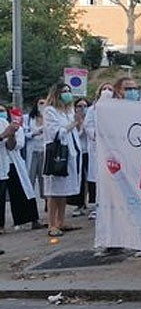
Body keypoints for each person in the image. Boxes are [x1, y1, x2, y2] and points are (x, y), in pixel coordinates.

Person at [42, 83, 83, 238]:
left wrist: (78, 123)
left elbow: (76, 132)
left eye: (69, 91)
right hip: (57, 154)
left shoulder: (69, 111)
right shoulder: (50, 111)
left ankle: (61, 221)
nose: (67, 94)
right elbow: (56, 133)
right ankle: (52, 224)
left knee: (63, 190)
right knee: (54, 191)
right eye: (64, 91)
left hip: (71, 153)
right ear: (56, 94)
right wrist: (73, 123)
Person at [0, 103, 39, 229]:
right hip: (1, 165)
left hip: (13, 163)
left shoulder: (13, 126)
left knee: (22, 191)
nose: (1, 114)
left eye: (2, 111)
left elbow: (12, 146)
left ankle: (29, 219)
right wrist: (3, 135)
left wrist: (11, 134)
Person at [83, 84, 113, 221]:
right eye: (104, 89)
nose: (107, 92)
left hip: (112, 148)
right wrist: (98, 136)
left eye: (110, 89)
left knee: (112, 180)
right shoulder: (92, 109)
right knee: (98, 179)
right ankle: (97, 206)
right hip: (97, 148)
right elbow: (88, 125)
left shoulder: (117, 109)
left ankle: (111, 207)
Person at [67, 97, 91, 216]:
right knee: (80, 179)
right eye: (79, 106)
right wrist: (78, 123)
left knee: (89, 178)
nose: (82, 109)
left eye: (85, 106)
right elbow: (76, 134)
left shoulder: (91, 118)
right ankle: (80, 204)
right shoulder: (72, 119)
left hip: (89, 152)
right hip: (77, 152)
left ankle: (90, 202)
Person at [24, 98, 45, 204]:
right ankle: (30, 202)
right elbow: (24, 133)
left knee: (44, 178)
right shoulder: (28, 118)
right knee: (30, 177)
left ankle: (47, 202)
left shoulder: (50, 118)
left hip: (44, 151)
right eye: (41, 103)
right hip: (32, 151)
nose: (43, 105)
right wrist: (34, 133)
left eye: (45, 103)